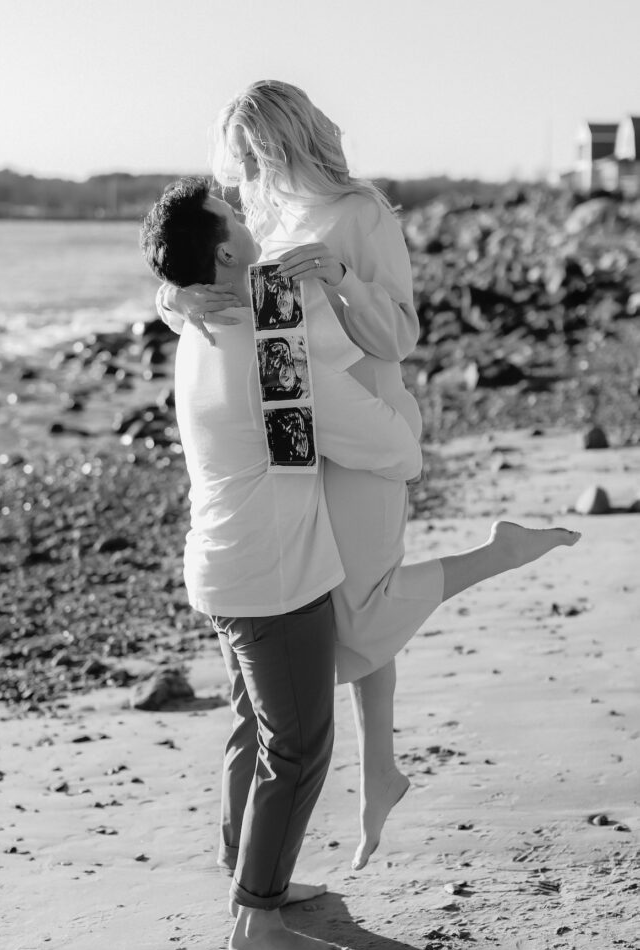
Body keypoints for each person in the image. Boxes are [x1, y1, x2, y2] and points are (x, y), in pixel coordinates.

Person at [156, 82, 580, 873]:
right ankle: (376, 773)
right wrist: (172, 296)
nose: (242, 171)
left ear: (284, 141)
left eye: (252, 153)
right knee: (333, 611)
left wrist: (345, 276)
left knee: (357, 609)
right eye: (236, 158)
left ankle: (493, 563)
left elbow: (402, 333)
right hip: (299, 436)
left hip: (363, 421)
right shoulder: (265, 218)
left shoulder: (362, 212)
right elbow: (237, 314)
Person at [140, 177, 425, 950]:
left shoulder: (201, 327)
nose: (246, 213)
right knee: (297, 745)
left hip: (224, 562)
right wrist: (404, 440)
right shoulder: (262, 349)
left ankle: (250, 874)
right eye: (233, 214)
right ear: (226, 251)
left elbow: (293, 434)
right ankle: (255, 922)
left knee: (251, 726)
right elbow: (361, 435)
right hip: (272, 573)